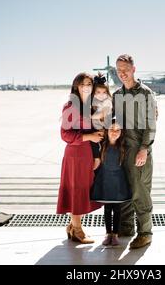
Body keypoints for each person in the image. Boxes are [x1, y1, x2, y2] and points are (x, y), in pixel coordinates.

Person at [112, 54, 157, 249]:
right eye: (119, 70)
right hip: (122, 151)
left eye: (126, 69)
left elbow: (151, 125)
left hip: (140, 150)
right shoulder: (117, 95)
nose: (122, 73)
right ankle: (127, 227)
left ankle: (145, 233)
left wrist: (144, 149)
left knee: (140, 192)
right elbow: (111, 118)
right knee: (125, 191)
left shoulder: (146, 93)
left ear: (134, 69)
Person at [57, 72, 104, 244]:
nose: (87, 87)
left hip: (87, 154)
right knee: (76, 190)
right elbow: (65, 135)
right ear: (76, 86)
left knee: (83, 190)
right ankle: (77, 230)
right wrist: (89, 137)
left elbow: (94, 132)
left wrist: (97, 154)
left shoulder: (89, 106)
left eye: (89, 84)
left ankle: (72, 225)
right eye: (83, 84)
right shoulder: (71, 106)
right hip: (75, 154)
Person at [90, 121, 132, 246]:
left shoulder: (123, 146)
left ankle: (115, 234)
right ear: (106, 130)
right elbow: (93, 144)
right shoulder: (101, 145)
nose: (114, 132)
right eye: (112, 129)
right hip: (105, 180)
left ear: (121, 133)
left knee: (117, 209)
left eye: (118, 130)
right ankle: (108, 233)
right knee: (108, 208)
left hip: (118, 182)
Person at [91, 72, 113, 170]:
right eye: (98, 92)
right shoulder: (93, 101)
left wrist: (90, 117)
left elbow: (101, 114)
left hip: (105, 128)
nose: (101, 95)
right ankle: (96, 158)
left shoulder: (107, 102)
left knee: (102, 145)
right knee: (94, 142)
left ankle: (98, 159)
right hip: (95, 129)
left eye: (104, 92)